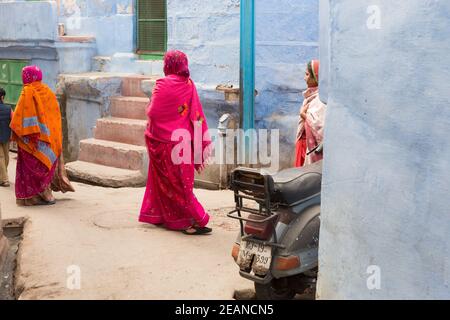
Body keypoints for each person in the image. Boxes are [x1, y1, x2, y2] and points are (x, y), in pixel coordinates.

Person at [139, 50, 213, 235]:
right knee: (181, 185)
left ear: (167, 65)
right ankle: (192, 220)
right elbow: (196, 116)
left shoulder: (161, 84)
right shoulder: (189, 85)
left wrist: (150, 109)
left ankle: (170, 217)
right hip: (182, 143)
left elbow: (153, 112)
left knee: (166, 183)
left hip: (159, 141)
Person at [10, 65, 74, 206]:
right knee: (44, 168)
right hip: (49, 141)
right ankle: (43, 195)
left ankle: (31, 198)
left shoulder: (27, 92)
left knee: (29, 171)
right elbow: (55, 118)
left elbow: (18, 119)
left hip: (30, 142)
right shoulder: (48, 92)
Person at [295, 60, 327, 167]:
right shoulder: (310, 96)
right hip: (304, 145)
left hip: (310, 147)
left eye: (307, 74)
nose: (305, 78)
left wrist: (303, 115)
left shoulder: (321, 99)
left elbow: (320, 127)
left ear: (316, 77)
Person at [0, 87, 12, 187]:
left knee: (1, 157)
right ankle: (4, 177)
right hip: (6, 136)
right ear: (2, 97)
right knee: (6, 156)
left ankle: (4, 179)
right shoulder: (9, 109)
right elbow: (14, 123)